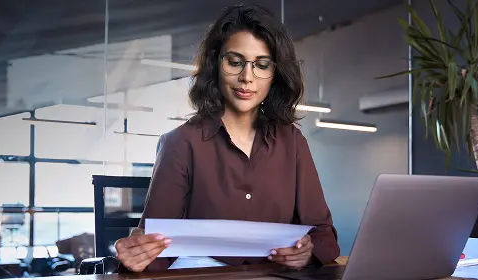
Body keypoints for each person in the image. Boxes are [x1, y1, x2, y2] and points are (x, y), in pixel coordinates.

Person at [114, 4, 340, 273]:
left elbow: (324, 235)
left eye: (262, 65)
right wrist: (136, 254)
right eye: (235, 62)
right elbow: (155, 247)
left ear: (275, 75)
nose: (247, 78)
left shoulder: (293, 143)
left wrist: (307, 253)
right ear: (215, 64)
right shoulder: (181, 143)